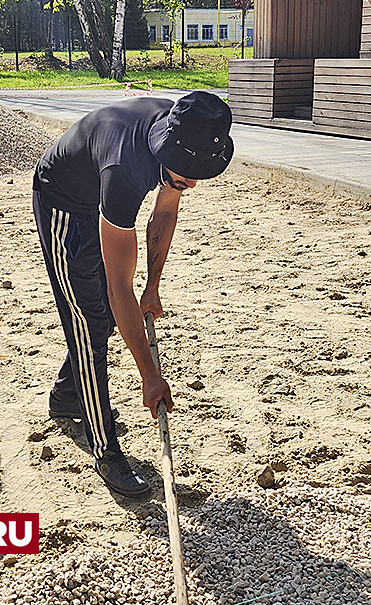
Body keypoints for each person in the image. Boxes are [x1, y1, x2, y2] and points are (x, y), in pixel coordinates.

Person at [32, 90, 234, 498]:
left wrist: (153, 287)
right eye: (183, 174)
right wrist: (150, 377)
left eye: (197, 173)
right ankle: (105, 450)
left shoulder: (184, 130)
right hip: (64, 202)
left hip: (100, 195)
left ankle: (68, 395)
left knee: (104, 317)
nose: (190, 181)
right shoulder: (124, 170)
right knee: (89, 325)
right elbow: (118, 287)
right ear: (164, 152)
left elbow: (164, 213)